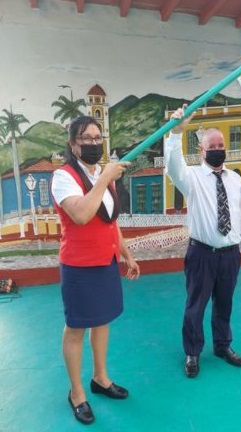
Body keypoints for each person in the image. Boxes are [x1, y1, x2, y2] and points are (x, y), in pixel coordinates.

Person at [51, 116, 140, 425]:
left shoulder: (104, 174)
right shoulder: (63, 176)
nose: (93, 143)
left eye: (97, 137)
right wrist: (103, 180)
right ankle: (76, 392)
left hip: (105, 262)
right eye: (85, 138)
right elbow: (81, 214)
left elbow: (109, 219)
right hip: (78, 266)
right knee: (76, 328)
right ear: (73, 144)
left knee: (102, 322)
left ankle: (100, 379)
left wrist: (126, 253)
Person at [165, 105, 241, 378]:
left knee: (224, 302)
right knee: (196, 305)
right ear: (202, 152)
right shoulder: (191, 178)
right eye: (211, 146)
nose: (217, 149)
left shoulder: (235, 179)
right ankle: (192, 352)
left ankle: (222, 346)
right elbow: (172, 165)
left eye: (220, 144)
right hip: (201, 254)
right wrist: (176, 133)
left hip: (229, 255)